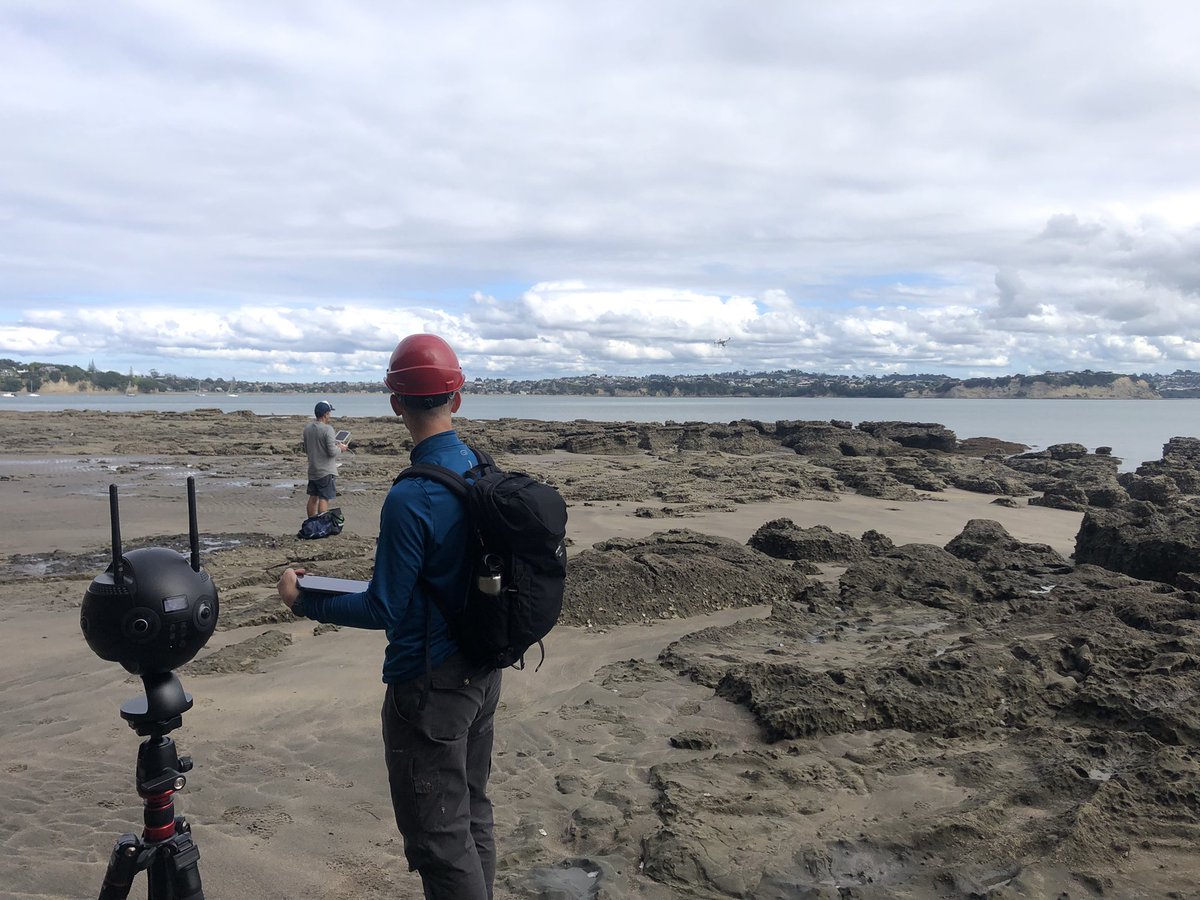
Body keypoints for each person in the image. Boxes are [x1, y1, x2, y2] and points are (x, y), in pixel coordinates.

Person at [277, 334, 502, 900]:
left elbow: (383, 605)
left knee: (440, 836)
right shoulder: (481, 468)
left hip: (427, 683)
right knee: (473, 811)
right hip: (484, 666)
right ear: (459, 396)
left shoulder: (411, 497)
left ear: (395, 403)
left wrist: (304, 599)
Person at [302, 400, 347, 517]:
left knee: (313, 497)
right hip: (325, 471)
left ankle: (311, 522)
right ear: (326, 414)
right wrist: (341, 448)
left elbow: (306, 449)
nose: (330, 416)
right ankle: (322, 524)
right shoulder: (328, 429)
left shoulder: (307, 428)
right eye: (329, 413)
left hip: (313, 470)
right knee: (324, 498)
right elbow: (332, 452)